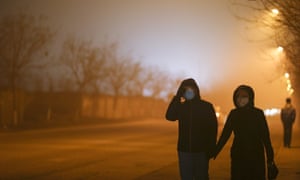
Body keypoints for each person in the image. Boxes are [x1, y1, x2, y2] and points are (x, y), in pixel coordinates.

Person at [213, 85, 275, 180]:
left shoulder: (258, 114)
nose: (240, 99)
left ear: (250, 97)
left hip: (256, 155)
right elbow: (225, 135)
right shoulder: (234, 114)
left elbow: (265, 137)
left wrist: (270, 158)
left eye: (244, 96)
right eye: (238, 96)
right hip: (238, 155)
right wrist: (215, 151)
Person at [165, 78, 218, 180]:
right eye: (185, 90)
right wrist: (177, 97)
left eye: (191, 89)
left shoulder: (206, 106)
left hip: (201, 151)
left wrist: (212, 147)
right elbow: (170, 116)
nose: (188, 92)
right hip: (184, 150)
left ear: (196, 90)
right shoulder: (182, 107)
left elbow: (212, 129)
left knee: (202, 177)